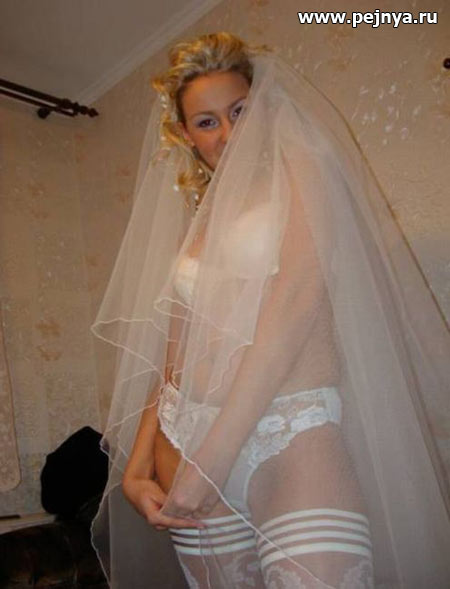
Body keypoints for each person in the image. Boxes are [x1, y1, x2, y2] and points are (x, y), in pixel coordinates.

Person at [90, 32, 450, 588]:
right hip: (184, 446)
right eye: (206, 121)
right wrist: (135, 472)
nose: (229, 132)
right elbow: (172, 364)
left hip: (290, 437)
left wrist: (214, 459)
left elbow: (297, 298)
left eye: (240, 110)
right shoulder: (196, 224)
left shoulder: (306, 167)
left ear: (263, 105)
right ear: (186, 134)